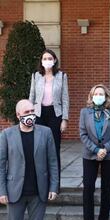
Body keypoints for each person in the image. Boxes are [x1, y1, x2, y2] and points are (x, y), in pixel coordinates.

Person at [0, 99, 59, 220]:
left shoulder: (45, 132)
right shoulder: (7, 134)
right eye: (26, 111)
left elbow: (53, 162)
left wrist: (53, 186)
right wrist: (1, 190)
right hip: (14, 191)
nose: (30, 114)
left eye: (33, 110)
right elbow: (1, 165)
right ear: (18, 115)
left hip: (38, 192)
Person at [79, 84, 110, 220]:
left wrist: (105, 149)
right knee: (88, 187)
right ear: (91, 96)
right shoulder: (84, 112)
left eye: (101, 94)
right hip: (90, 155)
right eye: (96, 94)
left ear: (106, 96)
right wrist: (96, 150)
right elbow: (83, 134)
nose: (98, 96)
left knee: (106, 189)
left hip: (109, 155)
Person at [29, 49, 69, 184]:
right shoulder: (36, 76)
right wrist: (29, 115)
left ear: (55, 60)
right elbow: (32, 97)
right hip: (39, 114)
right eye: (44, 58)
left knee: (54, 148)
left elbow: (65, 99)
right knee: (39, 147)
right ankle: (40, 182)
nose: (47, 61)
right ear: (41, 61)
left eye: (49, 58)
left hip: (55, 114)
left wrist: (64, 119)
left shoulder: (62, 76)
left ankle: (55, 184)